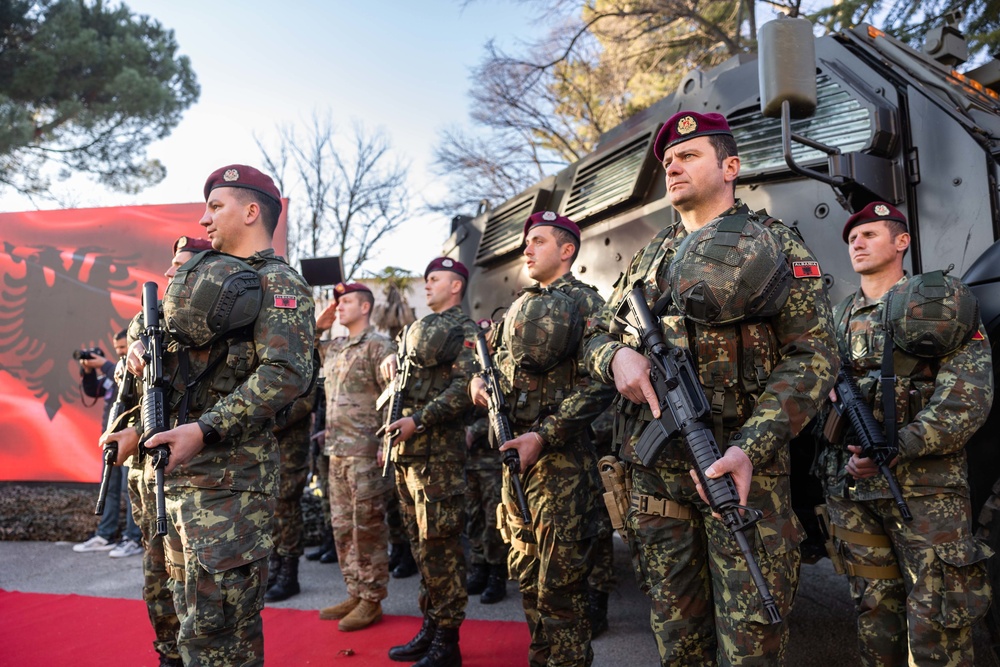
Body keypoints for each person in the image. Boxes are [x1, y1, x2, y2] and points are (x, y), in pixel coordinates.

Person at [583, 111, 838, 665]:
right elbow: (596, 335)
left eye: (688, 155)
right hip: (659, 484)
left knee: (753, 642)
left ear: (730, 166)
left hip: (741, 474)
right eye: (668, 160)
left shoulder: (774, 246)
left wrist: (750, 447)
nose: (672, 165)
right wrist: (615, 356)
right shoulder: (649, 258)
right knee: (678, 643)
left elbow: (813, 356)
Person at [103, 165, 315, 666]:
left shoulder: (275, 282)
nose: (205, 219)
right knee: (173, 622)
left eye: (216, 207)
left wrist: (205, 428)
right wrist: (136, 416)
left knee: (219, 639)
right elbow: (164, 359)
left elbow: (287, 374)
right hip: (173, 483)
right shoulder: (198, 279)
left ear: (252, 210)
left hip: (228, 489)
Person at [816, 201, 994, 666]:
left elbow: (967, 397)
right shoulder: (835, 320)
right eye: (852, 237)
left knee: (937, 622)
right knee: (876, 615)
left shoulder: (941, 306)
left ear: (901, 241)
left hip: (925, 492)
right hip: (852, 490)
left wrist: (901, 446)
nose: (856, 241)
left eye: (870, 234)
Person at [470, 211, 615, 666]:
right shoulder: (516, 307)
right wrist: (477, 383)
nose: (526, 249)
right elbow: (493, 369)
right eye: (526, 242)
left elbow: (603, 382)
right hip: (515, 464)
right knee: (529, 582)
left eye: (537, 241)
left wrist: (544, 435)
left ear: (567, 249)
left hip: (561, 469)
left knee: (561, 594)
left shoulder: (586, 303)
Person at [382, 257, 477, 667]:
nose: (427, 284)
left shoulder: (464, 330)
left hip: (438, 456)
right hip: (408, 456)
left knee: (442, 549)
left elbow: (464, 389)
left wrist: (419, 420)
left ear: (456, 285)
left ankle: (448, 641)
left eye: (435, 278)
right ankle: (432, 625)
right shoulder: (415, 330)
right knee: (422, 549)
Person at [313, 281, 396, 631]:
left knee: (368, 528)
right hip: (337, 452)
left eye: (346, 301)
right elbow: (302, 348)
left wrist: (384, 445)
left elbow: (393, 397)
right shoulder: (334, 347)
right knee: (343, 528)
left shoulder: (379, 346)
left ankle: (372, 598)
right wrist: (320, 325)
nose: (340, 306)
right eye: (338, 302)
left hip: (365, 454)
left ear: (365, 307)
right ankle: (356, 591)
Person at [72, 329, 143, 558]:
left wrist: (103, 363)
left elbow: (117, 373)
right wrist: (88, 370)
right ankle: (106, 534)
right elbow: (93, 390)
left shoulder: (135, 369)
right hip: (110, 441)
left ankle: (133, 539)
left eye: (123, 347)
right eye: (118, 348)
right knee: (110, 489)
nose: (120, 352)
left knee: (129, 490)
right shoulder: (114, 373)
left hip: (131, 440)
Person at [264, 386, 317, 601]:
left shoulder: (303, 355)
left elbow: (304, 403)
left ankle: (289, 573)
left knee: (287, 506)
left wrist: (261, 423)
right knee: (272, 509)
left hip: (291, 448)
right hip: (268, 446)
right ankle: (275, 565)